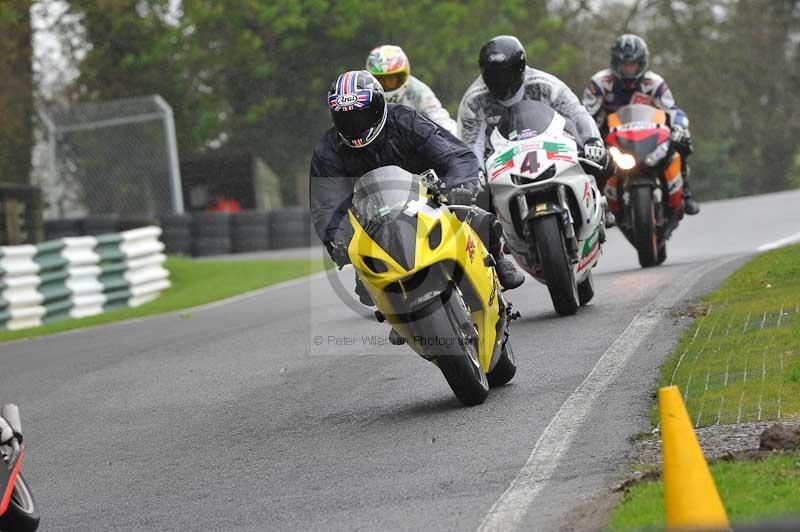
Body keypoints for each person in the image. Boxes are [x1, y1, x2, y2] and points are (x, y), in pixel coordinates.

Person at [309, 69, 525, 308]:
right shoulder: (328, 150)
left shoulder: (404, 120)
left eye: (361, 115)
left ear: (379, 106)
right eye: (345, 118)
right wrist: (338, 238)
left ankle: (496, 255)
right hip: (374, 218)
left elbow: (453, 154)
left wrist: (458, 184)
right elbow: (325, 205)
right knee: (365, 282)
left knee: (478, 210)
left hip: (428, 193)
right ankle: (398, 314)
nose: (354, 124)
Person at [583, 34, 699, 215]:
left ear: (642, 63)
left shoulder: (655, 83)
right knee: (589, 158)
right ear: (615, 63)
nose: (628, 70)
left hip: (649, 137)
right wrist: (589, 140)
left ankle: (686, 193)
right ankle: (600, 205)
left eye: (633, 65)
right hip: (611, 137)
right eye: (624, 65)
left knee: (681, 143)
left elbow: (672, 110)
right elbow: (586, 115)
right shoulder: (599, 83)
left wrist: (679, 128)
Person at [458, 35, 608, 172]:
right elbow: (471, 144)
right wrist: (476, 172)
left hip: (550, 152)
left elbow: (575, 113)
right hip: (500, 165)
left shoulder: (544, 85)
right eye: (493, 75)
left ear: (520, 68)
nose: (500, 81)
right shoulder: (474, 100)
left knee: (605, 164)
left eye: (505, 74)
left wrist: (591, 140)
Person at [365, 45, 458, 136]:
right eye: (381, 79)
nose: (386, 84)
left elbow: (440, 118)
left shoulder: (419, 91)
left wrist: (456, 139)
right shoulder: (363, 91)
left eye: (391, 79)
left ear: (401, 76)